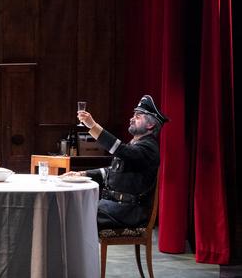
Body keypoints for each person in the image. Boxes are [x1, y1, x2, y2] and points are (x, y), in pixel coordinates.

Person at [63, 95, 168, 230]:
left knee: (74, 215)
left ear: (150, 124)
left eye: (138, 116)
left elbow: (120, 149)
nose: (131, 119)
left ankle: (76, 251)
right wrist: (82, 174)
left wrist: (92, 126)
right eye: (133, 115)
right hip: (113, 208)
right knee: (73, 210)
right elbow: (112, 171)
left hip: (128, 212)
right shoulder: (136, 144)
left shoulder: (149, 148)